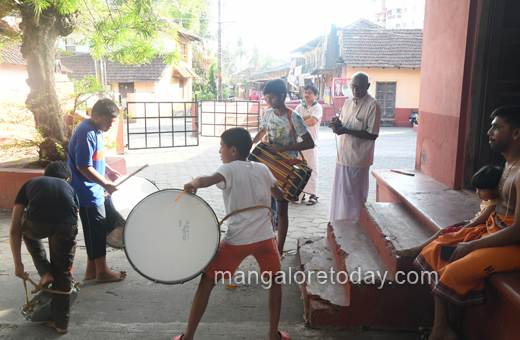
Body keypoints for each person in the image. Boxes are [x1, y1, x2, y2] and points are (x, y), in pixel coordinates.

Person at [173, 127, 290, 340]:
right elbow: (280, 196)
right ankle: (274, 334)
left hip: (237, 241)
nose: (220, 151)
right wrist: (280, 227)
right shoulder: (262, 168)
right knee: (275, 279)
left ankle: (188, 336)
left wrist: (192, 183)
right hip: (265, 238)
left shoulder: (229, 169)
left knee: (207, 281)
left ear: (233, 151)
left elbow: (206, 180)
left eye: (222, 147)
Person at [414, 106, 520, 340]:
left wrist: (471, 245)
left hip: (512, 247)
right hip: (492, 232)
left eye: (497, 127)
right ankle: (444, 328)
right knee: (438, 251)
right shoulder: (507, 165)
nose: (489, 132)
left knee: (453, 269)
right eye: (491, 126)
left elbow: (517, 231)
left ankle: (444, 330)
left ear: (516, 134)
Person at [10, 162, 79, 334]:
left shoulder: (31, 183)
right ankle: (61, 325)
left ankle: (45, 272)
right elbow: (73, 235)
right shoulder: (70, 190)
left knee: (25, 230)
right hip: (66, 225)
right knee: (63, 273)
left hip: (36, 224)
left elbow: (14, 229)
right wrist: (67, 267)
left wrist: (18, 265)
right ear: (67, 179)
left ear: (44, 175)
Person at [252, 79, 314, 256]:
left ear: (281, 96)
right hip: (267, 165)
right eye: (266, 97)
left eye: (271, 97)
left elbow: (309, 143)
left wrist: (283, 148)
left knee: (282, 209)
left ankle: (279, 249)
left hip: (287, 170)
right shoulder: (267, 113)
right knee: (267, 207)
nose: (267, 100)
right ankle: (268, 243)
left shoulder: (294, 117)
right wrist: (250, 142)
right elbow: (263, 131)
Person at [67, 98, 127, 282]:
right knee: (97, 232)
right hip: (86, 192)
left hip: (95, 190)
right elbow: (83, 166)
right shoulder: (86, 133)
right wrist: (105, 184)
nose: (110, 124)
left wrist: (108, 170)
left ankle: (92, 270)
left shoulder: (97, 131)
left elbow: (95, 159)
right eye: (107, 120)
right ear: (95, 115)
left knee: (96, 232)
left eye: (113, 121)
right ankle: (102, 272)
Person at [398, 164, 502, 257]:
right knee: (445, 230)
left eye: (482, 190)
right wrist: (464, 222)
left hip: (476, 231)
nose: (478, 193)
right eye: (476, 189)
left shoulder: (492, 206)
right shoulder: (488, 200)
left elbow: (476, 222)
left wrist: (459, 231)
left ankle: (415, 251)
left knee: (444, 233)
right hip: (472, 226)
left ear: (496, 190)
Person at [329, 72, 382, 222]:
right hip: (342, 156)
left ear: (367, 86)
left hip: (358, 159)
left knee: (353, 197)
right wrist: (337, 124)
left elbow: (373, 134)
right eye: (352, 86)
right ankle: (339, 223)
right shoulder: (348, 102)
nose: (355, 90)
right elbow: (344, 121)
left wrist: (346, 131)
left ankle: (354, 226)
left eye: (359, 87)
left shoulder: (373, 105)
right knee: (340, 194)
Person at [294, 84, 323, 205]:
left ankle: (313, 195)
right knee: (298, 168)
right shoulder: (300, 107)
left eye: (310, 92)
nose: (306, 94)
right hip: (298, 143)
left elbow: (312, 121)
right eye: (305, 92)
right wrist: (304, 118)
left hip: (311, 143)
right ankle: (299, 194)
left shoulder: (318, 107)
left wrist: (301, 119)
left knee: (311, 168)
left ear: (315, 95)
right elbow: (293, 119)